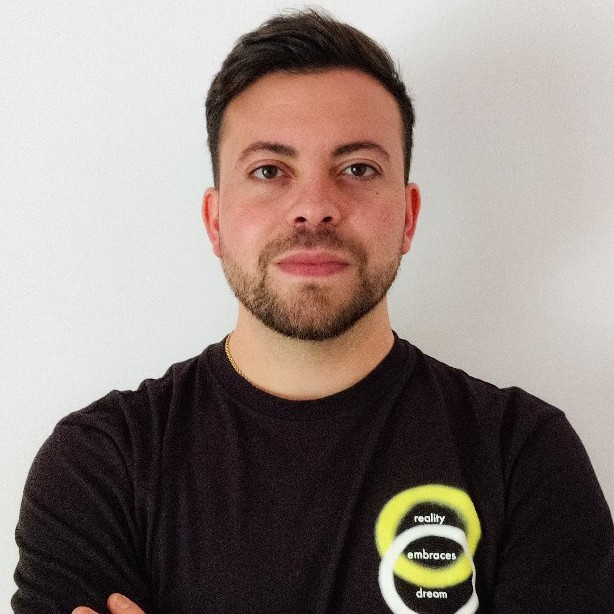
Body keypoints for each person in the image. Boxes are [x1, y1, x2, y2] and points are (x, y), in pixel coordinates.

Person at [12, 9, 614, 614]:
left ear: (408, 216)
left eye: (357, 169)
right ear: (215, 220)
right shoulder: (100, 465)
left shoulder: (523, 456)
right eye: (269, 171)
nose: (314, 207)